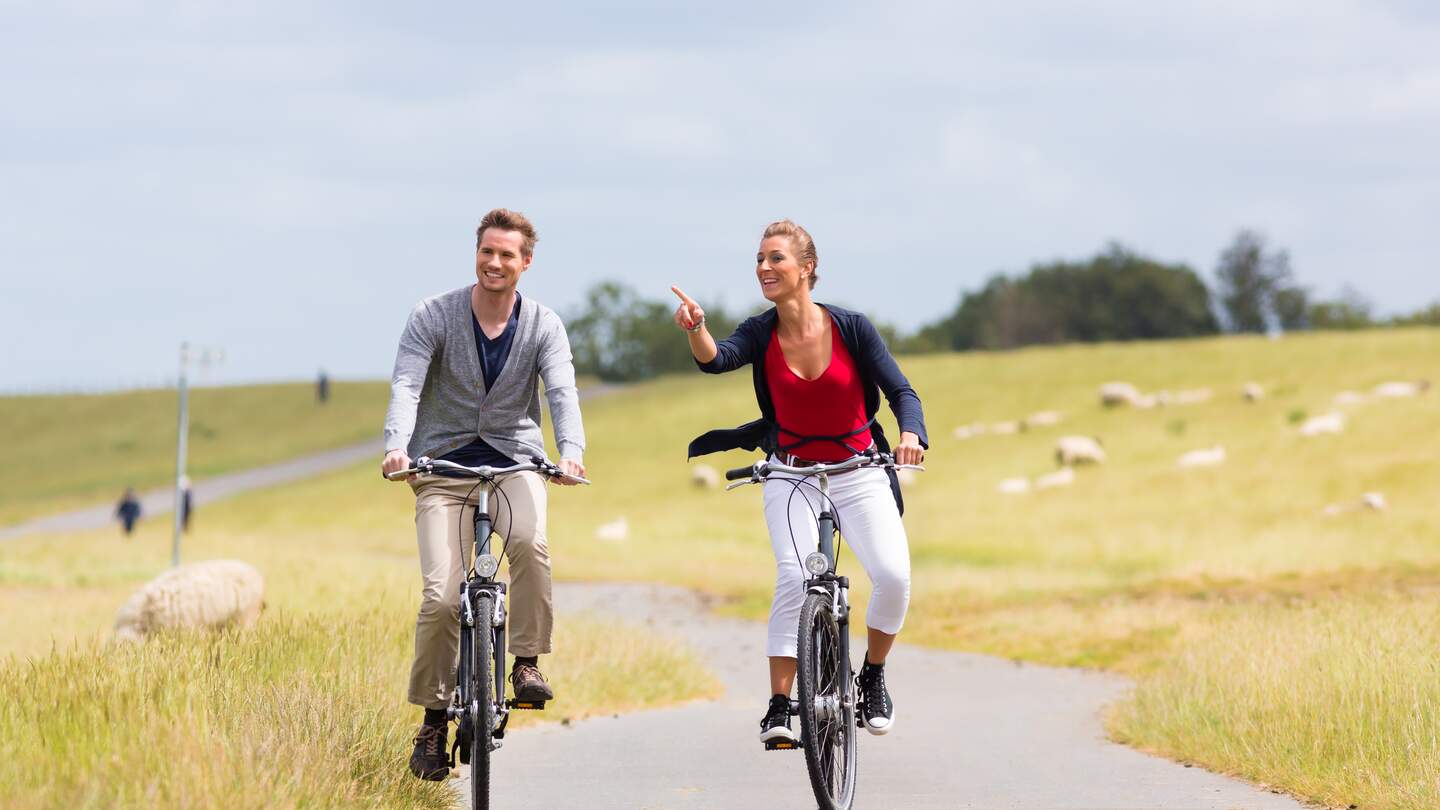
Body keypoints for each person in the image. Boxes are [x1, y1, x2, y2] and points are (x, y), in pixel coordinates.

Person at [673, 219, 927, 744]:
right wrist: (697, 328)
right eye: (760, 260)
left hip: (860, 471)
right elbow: (717, 360)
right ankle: (780, 705)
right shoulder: (760, 331)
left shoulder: (851, 327)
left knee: (894, 576)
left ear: (807, 268)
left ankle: (873, 676)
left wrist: (911, 435)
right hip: (790, 473)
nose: (764, 268)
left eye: (776, 259)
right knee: (794, 577)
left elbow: (903, 392)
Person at [382, 208, 587, 781]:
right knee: (440, 598)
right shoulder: (433, 315)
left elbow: (563, 391)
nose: (494, 263)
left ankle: (525, 663)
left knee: (531, 544)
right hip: (442, 469)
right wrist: (398, 446)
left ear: (525, 262)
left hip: (514, 462)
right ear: (477, 254)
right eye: (486, 252)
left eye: (507, 254)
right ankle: (431, 720)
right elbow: (406, 382)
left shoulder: (544, 324)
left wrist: (570, 451)